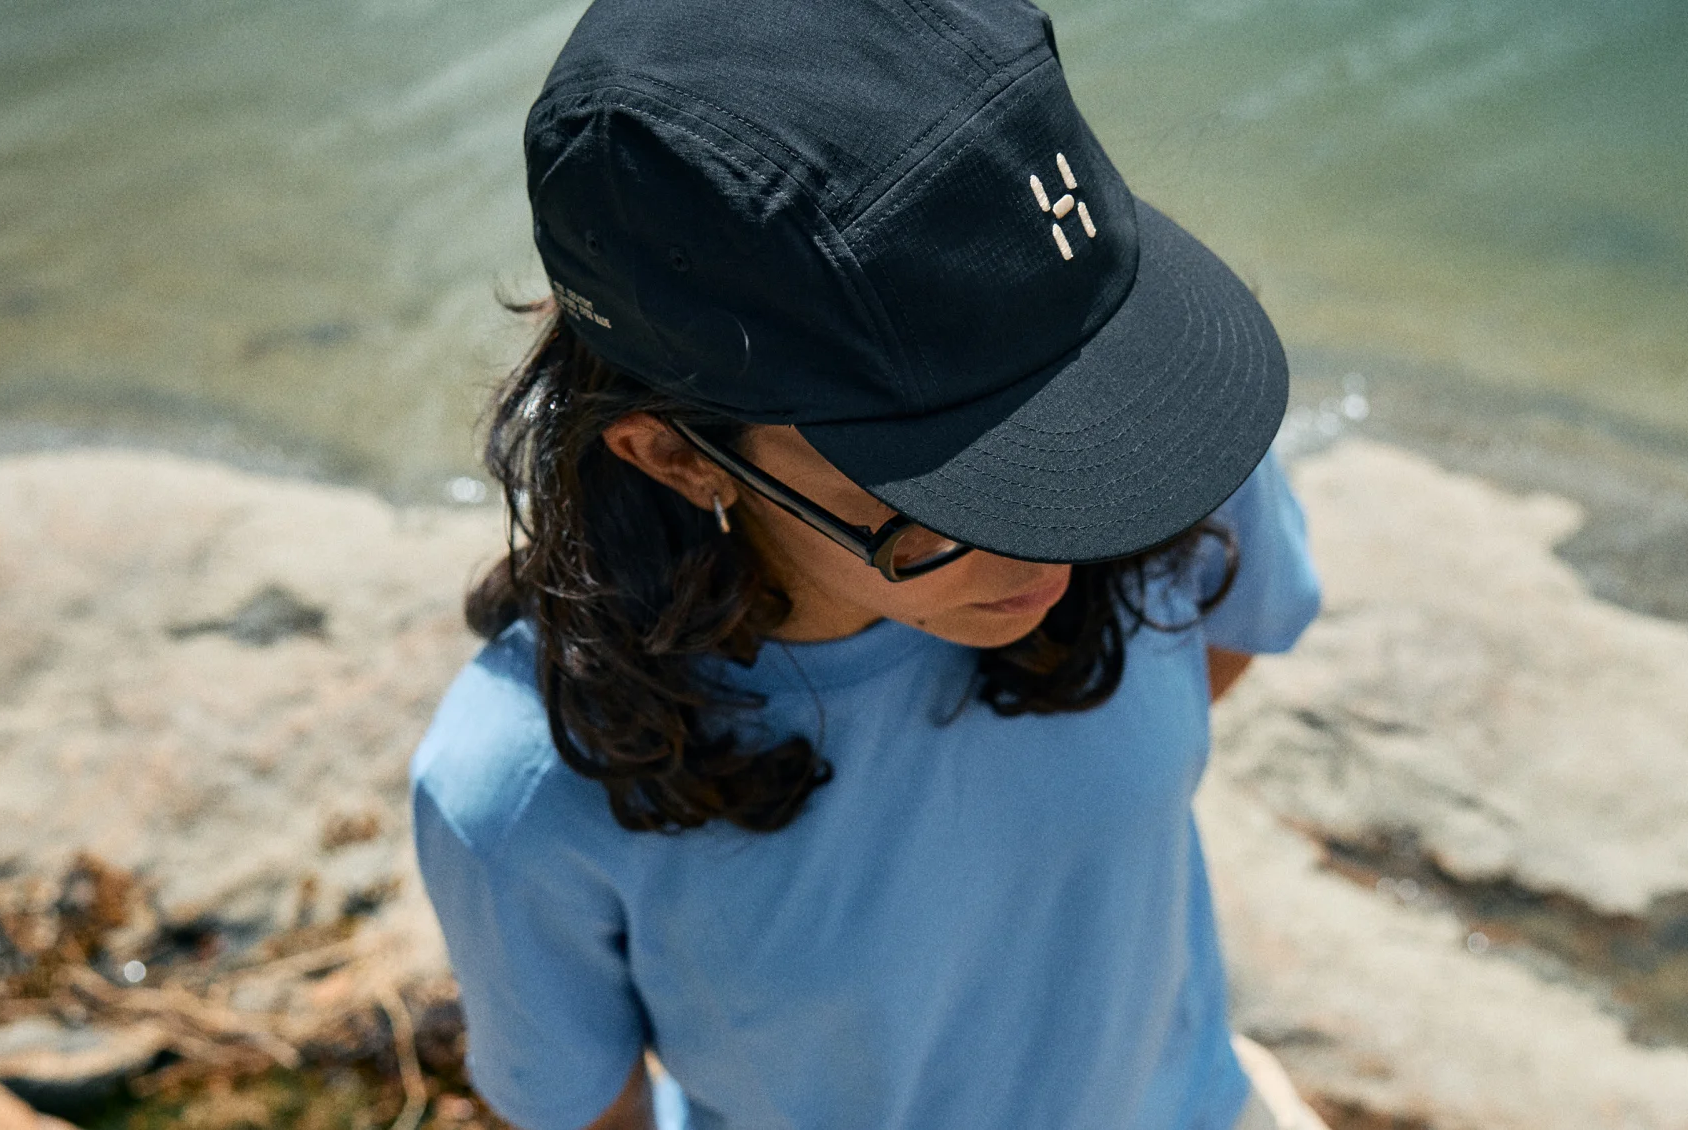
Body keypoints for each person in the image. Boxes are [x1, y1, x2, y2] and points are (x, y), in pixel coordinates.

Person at [409, 0, 1325, 1126]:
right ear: (674, 455)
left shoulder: (1153, 438)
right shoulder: (526, 798)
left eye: (1066, 427)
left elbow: (1215, 651)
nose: (1057, 529)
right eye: (944, 486)